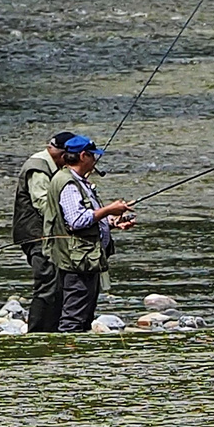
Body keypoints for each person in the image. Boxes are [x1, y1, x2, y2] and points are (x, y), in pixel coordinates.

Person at [43, 135, 134, 332]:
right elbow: (76, 221)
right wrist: (109, 209)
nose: (95, 161)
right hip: (77, 260)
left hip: (84, 258)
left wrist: (112, 222)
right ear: (83, 156)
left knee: (84, 316)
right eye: (93, 156)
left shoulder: (77, 181)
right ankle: (68, 357)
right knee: (74, 318)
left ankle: (79, 357)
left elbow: (87, 218)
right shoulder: (67, 183)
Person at [13, 130, 78, 332]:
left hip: (49, 233)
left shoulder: (56, 166)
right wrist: (73, 218)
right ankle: (38, 332)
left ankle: (53, 328)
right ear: (58, 152)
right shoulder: (38, 167)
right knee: (47, 282)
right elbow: (42, 203)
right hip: (36, 235)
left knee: (58, 282)